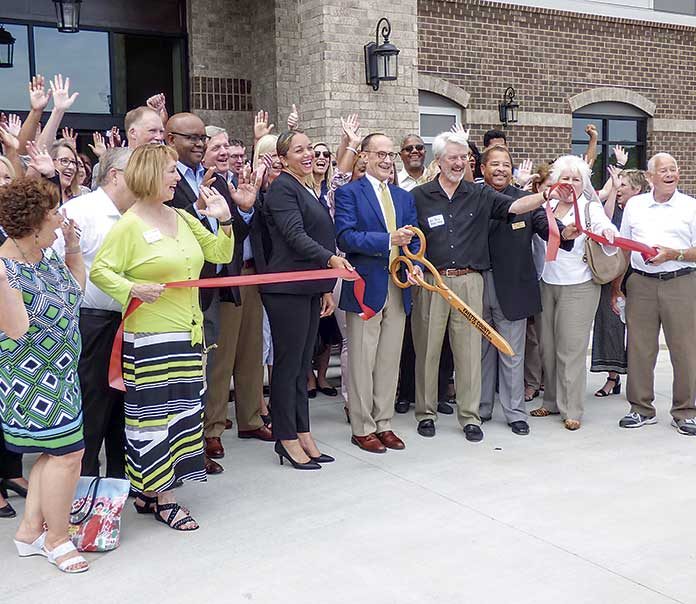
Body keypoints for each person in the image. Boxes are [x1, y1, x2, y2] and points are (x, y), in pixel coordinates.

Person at [90, 144, 234, 530]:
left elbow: (218, 254)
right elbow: (101, 272)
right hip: (150, 338)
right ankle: (163, 496)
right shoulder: (129, 225)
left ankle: (152, 491)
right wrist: (133, 289)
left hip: (188, 332)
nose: (177, 177)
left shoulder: (182, 217)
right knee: (153, 419)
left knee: (185, 415)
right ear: (151, 174)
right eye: (171, 171)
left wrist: (225, 219)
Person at [410, 131, 571, 442]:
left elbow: (514, 206)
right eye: (452, 158)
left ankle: (470, 416)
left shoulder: (479, 194)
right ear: (439, 162)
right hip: (433, 282)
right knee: (429, 351)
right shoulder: (419, 196)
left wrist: (545, 195)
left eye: (462, 158)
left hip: (471, 281)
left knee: (470, 352)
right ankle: (426, 413)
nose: (458, 163)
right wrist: (415, 266)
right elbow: (409, 235)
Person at [166, 113, 270, 478]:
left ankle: (249, 420)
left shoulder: (221, 183)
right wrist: (197, 208)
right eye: (214, 146)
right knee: (212, 363)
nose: (219, 151)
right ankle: (207, 433)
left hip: (235, 276)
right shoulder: (169, 179)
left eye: (224, 145)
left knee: (248, 354)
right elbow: (172, 226)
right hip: (194, 284)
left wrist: (244, 206)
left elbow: (237, 231)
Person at [0, 177, 88, 573]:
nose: (60, 216)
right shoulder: (6, 268)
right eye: (53, 211)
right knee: (68, 455)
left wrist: (71, 248)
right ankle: (56, 538)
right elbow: (16, 330)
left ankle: (30, 531)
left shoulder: (44, 254)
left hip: (62, 374)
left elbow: (76, 293)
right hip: (32, 380)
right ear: (35, 221)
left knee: (56, 454)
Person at [260, 130, 351, 469]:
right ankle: (285, 438)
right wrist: (330, 260)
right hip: (287, 290)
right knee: (288, 367)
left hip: (310, 287)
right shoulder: (283, 188)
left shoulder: (308, 186)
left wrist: (324, 286)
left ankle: (303, 432)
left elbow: (316, 233)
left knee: (302, 366)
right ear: (282, 158)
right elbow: (295, 236)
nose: (308, 154)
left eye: (309, 148)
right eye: (298, 150)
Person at [478, 146, 575, 435]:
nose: (501, 169)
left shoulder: (528, 201)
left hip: (514, 288)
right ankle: (481, 408)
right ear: (482, 168)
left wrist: (564, 232)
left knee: (512, 353)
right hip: (477, 285)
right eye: (494, 164)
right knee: (481, 352)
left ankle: (515, 412)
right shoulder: (472, 197)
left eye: (506, 164)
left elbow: (547, 225)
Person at [334, 132, 420, 454]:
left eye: (390, 155)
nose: (386, 160)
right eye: (380, 154)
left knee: (388, 361)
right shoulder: (349, 193)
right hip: (365, 290)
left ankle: (384, 423)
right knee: (361, 361)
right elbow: (345, 237)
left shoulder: (403, 197)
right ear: (365, 157)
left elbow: (412, 240)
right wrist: (388, 240)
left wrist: (415, 265)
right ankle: (362, 427)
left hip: (398, 288)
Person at [53, 148, 134, 478]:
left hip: (131, 321)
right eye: (137, 172)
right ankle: (83, 486)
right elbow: (54, 265)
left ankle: (120, 485)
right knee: (92, 409)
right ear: (114, 174)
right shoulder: (80, 211)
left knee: (124, 412)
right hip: (91, 323)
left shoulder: (138, 213)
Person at [530, 155, 619, 430]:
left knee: (571, 348)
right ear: (556, 181)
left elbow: (606, 226)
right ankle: (551, 401)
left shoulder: (589, 208)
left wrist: (609, 233)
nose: (570, 183)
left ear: (584, 184)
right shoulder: (547, 204)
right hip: (547, 281)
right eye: (565, 178)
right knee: (548, 346)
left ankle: (572, 408)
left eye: (576, 179)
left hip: (578, 284)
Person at [613, 153, 696, 435]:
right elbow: (625, 246)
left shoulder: (690, 206)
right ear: (650, 178)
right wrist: (617, 287)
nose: (670, 174)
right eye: (663, 170)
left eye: (674, 169)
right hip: (641, 284)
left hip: (680, 282)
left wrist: (675, 253)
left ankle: (685, 412)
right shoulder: (635, 205)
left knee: (685, 350)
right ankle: (640, 409)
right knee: (638, 348)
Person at [591, 169, 649, 397]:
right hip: (613, 276)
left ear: (637, 189)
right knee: (611, 326)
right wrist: (615, 287)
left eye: (624, 185)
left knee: (639, 333)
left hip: (638, 277)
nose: (620, 188)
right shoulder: (615, 212)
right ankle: (612, 379)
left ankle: (639, 381)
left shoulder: (646, 214)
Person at [308, 141, 342, 398]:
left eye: (325, 154)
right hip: (309, 264)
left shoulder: (331, 191)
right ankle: (308, 378)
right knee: (311, 328)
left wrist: (348, 144)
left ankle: (322, 377)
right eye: (315, 153)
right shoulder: (305, 189)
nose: (321, 157)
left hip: (333, 264)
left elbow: (344, 172)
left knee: (328, 329)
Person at [523, 162, 553, 402]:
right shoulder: (531, 206)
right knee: (533, 336)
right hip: (535, 277)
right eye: (549, 186)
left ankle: (551, 382)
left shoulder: (569, 207)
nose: (554, 191)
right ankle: (532, 382)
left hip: (562, 279)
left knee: (552, 335)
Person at [91, 105, 165, 188]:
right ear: (133, 133)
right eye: (152, 131)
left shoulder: (167, 166)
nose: (159, 137)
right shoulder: (108, 166)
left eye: (161, 132)